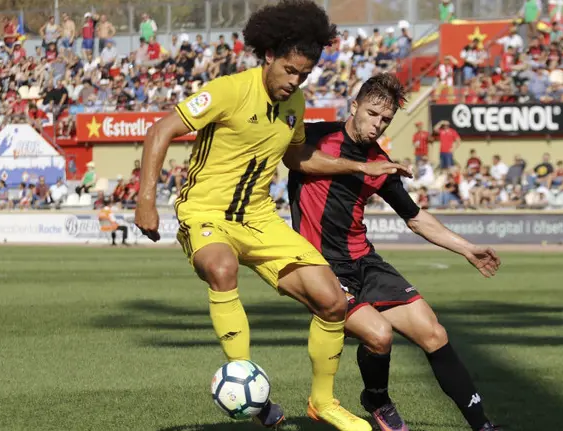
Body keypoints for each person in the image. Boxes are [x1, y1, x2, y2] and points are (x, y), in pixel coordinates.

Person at [133, 2, 409, 430]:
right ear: (269, 56)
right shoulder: (228, 91)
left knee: (333, 301)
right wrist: (146, 199)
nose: (295, 81)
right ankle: (250, 389)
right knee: (222, 268)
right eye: (290, 70)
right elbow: (160, 130)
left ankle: (323, 402)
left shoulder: (295, 103)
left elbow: (298, 158)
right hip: (207, 213)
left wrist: (361, 166)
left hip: (261, 220)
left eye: (304, 74)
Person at [288, 73, 504, 431]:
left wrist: (467, 249)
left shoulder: (381, 162)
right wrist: (362, 167)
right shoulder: (315, 136)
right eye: (372, 114)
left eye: (385, 119)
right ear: (354, 106)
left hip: (363, 261)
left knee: (434, 333)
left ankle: (483, 425)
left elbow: (415, 218)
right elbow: (297, 160)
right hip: (319, 267)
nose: (377, 124)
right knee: (379, 335)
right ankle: (378, 399)